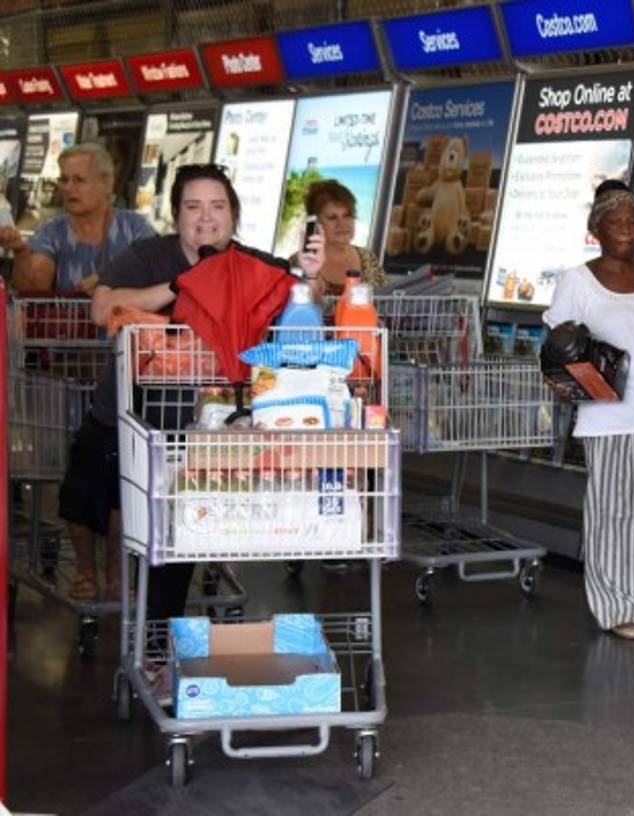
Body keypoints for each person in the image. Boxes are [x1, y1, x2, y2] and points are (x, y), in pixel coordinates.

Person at [60, 164, 323, 615]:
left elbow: (298, 314)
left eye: (217, 206)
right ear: (176, 215)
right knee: (93, 506)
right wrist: (183, 283)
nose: (206, 217)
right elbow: (102, 310)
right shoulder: (148, 257)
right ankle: (135, 611)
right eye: (193, 207)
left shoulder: (254, 266)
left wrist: (313, 278)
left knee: (175, 535)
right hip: (133, 417)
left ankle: (159, 641)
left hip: (211, 425)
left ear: (234, 216)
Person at [543, 180, 634, 641]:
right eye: (615, 222)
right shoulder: (578, 280)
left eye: (633, 221)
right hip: (608, 415)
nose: (625, 229)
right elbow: (555, 351)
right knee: (616, 513)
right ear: (596, 229)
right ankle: (620, 607)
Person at [0, 142, 154, 293]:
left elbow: (157, 274)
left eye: (79, 180)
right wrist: (21, 252)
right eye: (64, 180)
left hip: (127, 318)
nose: (68, 188)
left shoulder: (135, 227)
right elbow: (35, 291)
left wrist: (108, 280)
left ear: (107, 184)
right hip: (68, 318)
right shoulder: (51, 232)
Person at [291, 179, 387, 299]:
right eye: (332, 217)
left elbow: (387, 304)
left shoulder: (368, 257)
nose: (342, 224)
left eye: (347, 215)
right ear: (315, 224)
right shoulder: (300, 262)